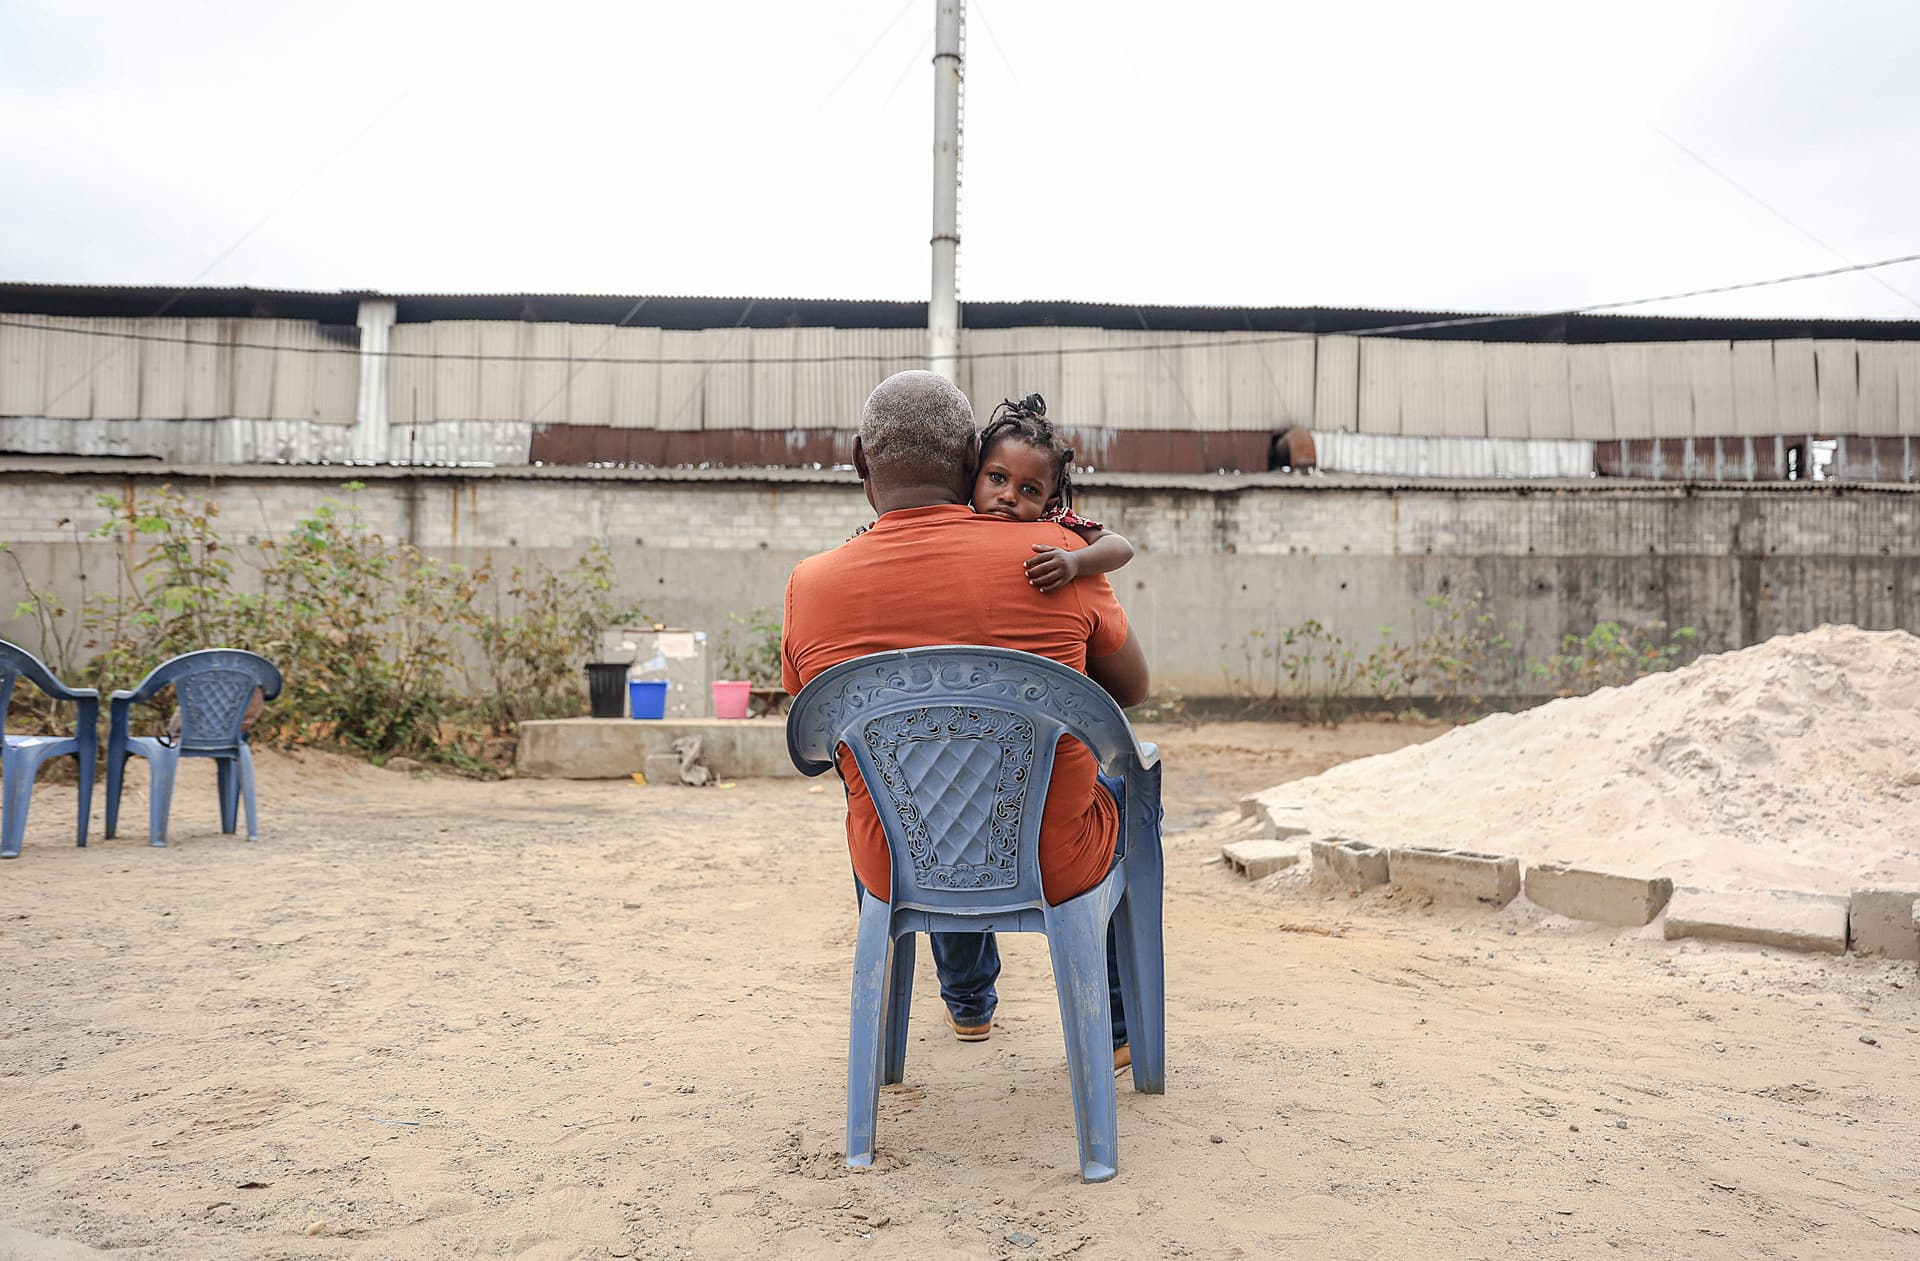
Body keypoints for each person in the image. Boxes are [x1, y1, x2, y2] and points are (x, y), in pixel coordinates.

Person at [781, 370, 1149, 1067]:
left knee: (920, 794)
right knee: (1116, 787)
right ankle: (1120, 1027)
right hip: (1055, 857)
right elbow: (1131, 689)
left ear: (862, 462)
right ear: (967, 466)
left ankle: (967, 1004)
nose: (1011, 497)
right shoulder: (1057, 557)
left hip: (899, 861)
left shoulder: (811, 584)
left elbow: (820, 739)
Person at [972, 393, 1134, 594]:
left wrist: (1075, 562)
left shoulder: (1053, 520)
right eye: (997, 477)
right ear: (975, 474)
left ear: (1048, 504)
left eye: (1029, 489)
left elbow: (1121, 547)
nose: (1008, 496)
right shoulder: (957, 514)